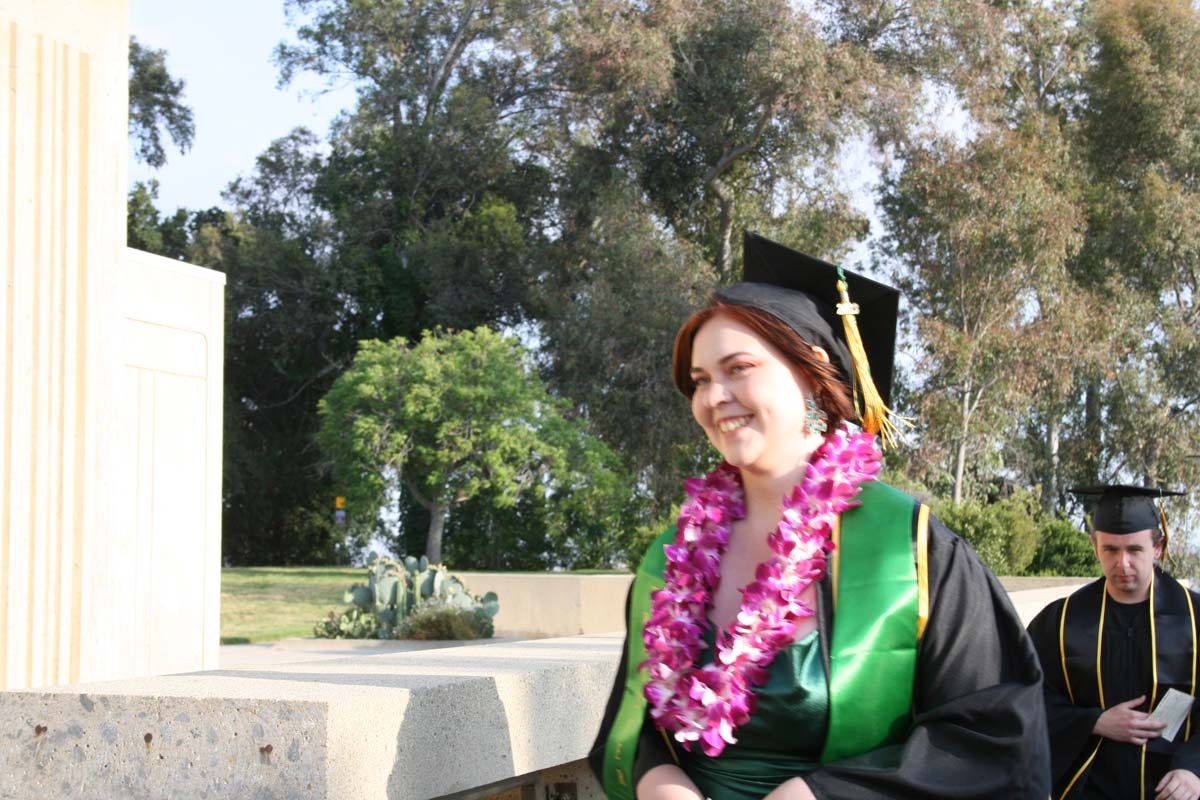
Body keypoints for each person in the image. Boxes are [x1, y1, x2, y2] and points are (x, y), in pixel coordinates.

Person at [588, 231, 1049, 800]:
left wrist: (819, 794)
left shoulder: (912, 548)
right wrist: (659, 781)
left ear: (811, 369)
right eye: (700, 380)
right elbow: (632, 721)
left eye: (738, 368)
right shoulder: (671, 556)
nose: (713, 397)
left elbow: (989, 736)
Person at [1027, 485, 1200, 800]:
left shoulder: (1195, 617)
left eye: (1134, 550)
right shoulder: (1060, 621)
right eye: (1110, 550)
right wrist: (1094, 721)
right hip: (1089, 788)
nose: (1122, 563)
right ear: (1094, 545)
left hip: (1176, 790)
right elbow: (1023, 695)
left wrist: (1194, 768)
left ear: (1158, 546)